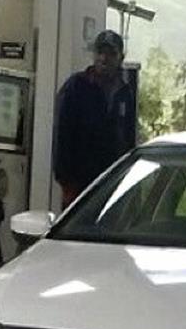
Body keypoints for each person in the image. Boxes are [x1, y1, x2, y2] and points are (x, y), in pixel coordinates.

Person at [54, 30, 136, 208]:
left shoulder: (125, 93)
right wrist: (66, 182)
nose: (104, 59)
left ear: (121, 57)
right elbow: (62, 134)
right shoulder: (76, 87)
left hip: (112, 185)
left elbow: (129, 140)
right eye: (100, 52)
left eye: (111, 54)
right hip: (79, 185)